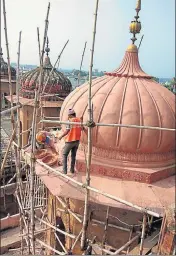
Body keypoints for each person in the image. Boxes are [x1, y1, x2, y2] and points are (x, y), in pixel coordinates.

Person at [58, 109, 84, 174]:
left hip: (70, 141)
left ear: (70, 115)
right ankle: (72, 170)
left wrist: (61, 136)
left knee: (64, 155)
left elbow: (67, 131)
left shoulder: (69, 121)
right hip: (77, 141)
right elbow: (82, 128)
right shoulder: (79, 120)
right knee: (73, 156)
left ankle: (64, 171)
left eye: (68, 115)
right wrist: (82, 121)